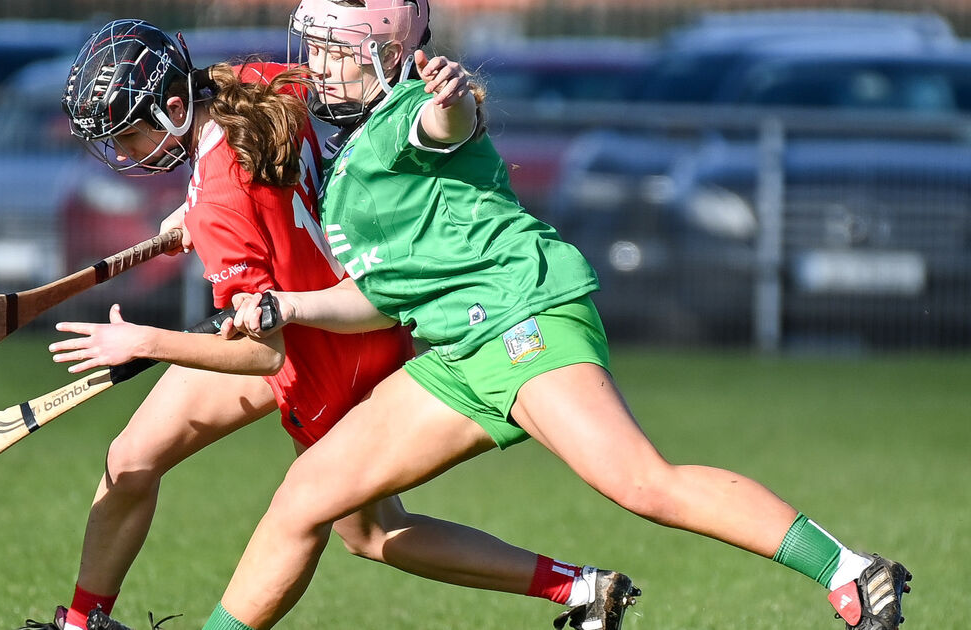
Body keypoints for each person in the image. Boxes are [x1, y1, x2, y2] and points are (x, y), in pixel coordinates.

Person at [170, 1, 911, 630]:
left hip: (526, 320)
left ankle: (851, 570)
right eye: (317, 49)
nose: (319, 65)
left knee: (641, 484)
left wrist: (452, 97)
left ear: (389, 51)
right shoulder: (355, 143)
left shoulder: (409, 116)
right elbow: (380, 298)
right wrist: (280, 301)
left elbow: (449, 122)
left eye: (336, 50)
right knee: (309, 498)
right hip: (461, 351)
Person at [20, 18, 639, 630]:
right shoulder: (255, 84)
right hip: (326, 313)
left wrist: (143, 340)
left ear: (175, 108)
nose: (124, 156)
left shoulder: (219, 205)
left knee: (366, 531)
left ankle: (576, 585)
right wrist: (197, 206)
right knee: (132, 456)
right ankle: (81, 623)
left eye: (127, 138)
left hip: (318, 350)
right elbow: (273, 183)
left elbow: (264, 355)